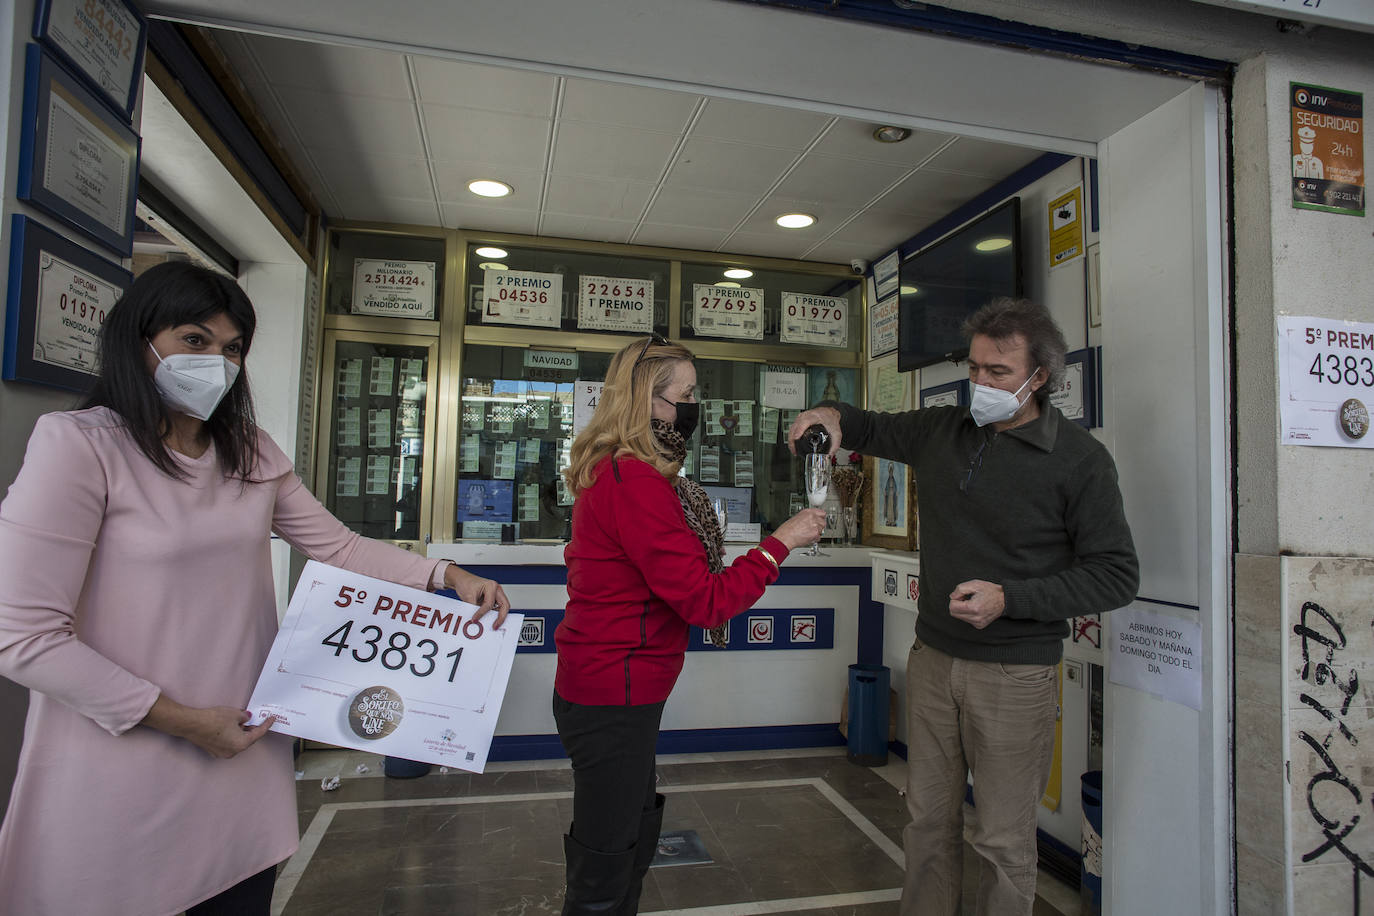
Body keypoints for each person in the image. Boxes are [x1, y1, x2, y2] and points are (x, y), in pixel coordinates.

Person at [0, 262, 511, 916]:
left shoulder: (248, 452)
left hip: (241, 745)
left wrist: (447, 576)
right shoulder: (82, 447)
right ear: (139, 340)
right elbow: (23, 638)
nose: (217, 361)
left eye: (232, 347)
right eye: (194, 340)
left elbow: (340, 547)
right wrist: (181, 721)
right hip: (122, 762)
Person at [788, 297, 1138, 916]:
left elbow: (1115, 576)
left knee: (1003, 842)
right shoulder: (944, 431)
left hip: (1015, 673)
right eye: (974, 368)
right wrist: (828, 414)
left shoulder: (1081, 461)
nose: (980, 383)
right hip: (932, 661)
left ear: (1039, 378)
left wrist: (1013, 599)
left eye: (998, 372)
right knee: (925, 823)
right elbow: (866, 426)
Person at [554, 333, 826, 915]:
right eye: (687, 394)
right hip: (613, 692)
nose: (694, 406)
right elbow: (706, 603)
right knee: (608, 856)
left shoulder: (623, 474)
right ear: (650, 402)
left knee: (629, 834)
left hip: (612, 686)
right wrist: (780, 543)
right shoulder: (635, 483)